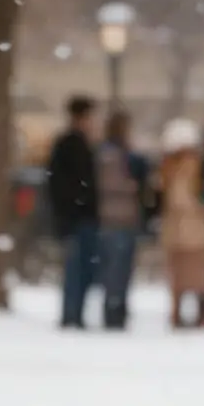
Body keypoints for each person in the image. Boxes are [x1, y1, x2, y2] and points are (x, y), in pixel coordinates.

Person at [46, 95, 100, 329]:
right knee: (76, 268)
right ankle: (71, 315)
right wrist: (74, 207)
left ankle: (75, 313)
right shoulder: (70, 144)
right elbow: (62, 184)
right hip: (76, 217)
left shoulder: (79, 144)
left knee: (83, 269)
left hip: (82, 216)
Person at [158, 119, 204, 328]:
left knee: (197, 277)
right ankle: (186, 314)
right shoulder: (169, 169)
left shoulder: (198, 168)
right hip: (182, 231)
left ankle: (201, 314)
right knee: (183, 277)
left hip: (192, 230)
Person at [93, 109, 144, 330]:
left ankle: (117, 310)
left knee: (120, 269)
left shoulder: (116, 153)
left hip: (122, 217)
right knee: (115, 269)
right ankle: (113, 314)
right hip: (114, 218)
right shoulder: (111, 154)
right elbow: (112, 184)